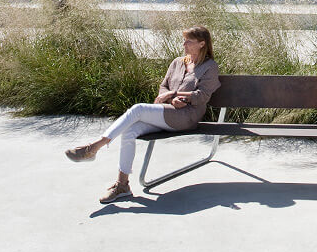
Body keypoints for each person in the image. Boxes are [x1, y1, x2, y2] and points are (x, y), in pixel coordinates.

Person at [65, 26, 221, 203]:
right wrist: (170, 99)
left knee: (138, 109)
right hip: (169, 113)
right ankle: (122, 185)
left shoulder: (210, 66)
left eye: (189, 41)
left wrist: (177, 96)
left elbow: (202, 96)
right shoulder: (178, 62)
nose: (184, 43)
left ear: (202, 44)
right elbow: (164, 87)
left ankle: (94, 146)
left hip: (187, 117)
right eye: (184, 39)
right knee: (130, 131)